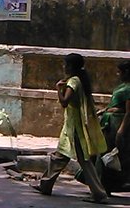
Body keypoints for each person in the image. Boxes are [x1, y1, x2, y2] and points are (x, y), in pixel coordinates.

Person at [30, 53, 109, 204]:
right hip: (72, 127)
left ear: (71, 66)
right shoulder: (80, 80)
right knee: (59, 158)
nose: (64, 67)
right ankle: (45, 184)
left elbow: (65, 102)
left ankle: (99, 193)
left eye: (66, 64)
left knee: (83, 161)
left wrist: (58, 89)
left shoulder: (73, 81)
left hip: (75, 130)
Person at [97, 60, 130, 193]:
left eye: (119, 72)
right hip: (109, 123)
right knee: (105, 154)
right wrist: (104, 110)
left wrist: (122, 130)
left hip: (118, 125)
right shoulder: (122, 86)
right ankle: (104, 185)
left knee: (112, 155)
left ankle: (106, 186)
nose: (118, 74)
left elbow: (128, 112)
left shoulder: (128, 89)